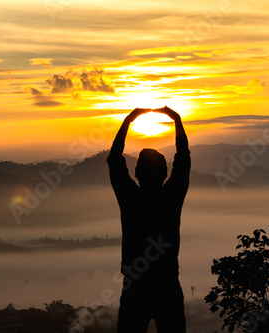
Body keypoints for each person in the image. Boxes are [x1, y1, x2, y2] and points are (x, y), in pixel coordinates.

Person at [107, 106, 190, 332]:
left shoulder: (130, 199)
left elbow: (114, 159)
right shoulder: (172, 198)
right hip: (167, 287)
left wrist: (128, 120)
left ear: (137, 174)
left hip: (135, 289)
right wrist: (177, 120)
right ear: (165, 173)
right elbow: (183, 160)